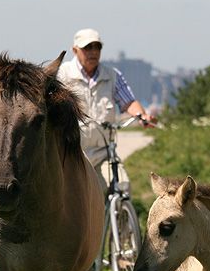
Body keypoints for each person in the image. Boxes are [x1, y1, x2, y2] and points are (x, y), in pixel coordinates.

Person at [57, 28, 154, 184]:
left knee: (122, 185)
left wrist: (142, 116)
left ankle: (120, 209)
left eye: (97, 47)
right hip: (73, 154)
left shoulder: (112, 75)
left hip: (103, 153)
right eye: (87, 47)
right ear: (75, 50)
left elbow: (128, 102)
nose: (93, 52)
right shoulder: (62, 75)